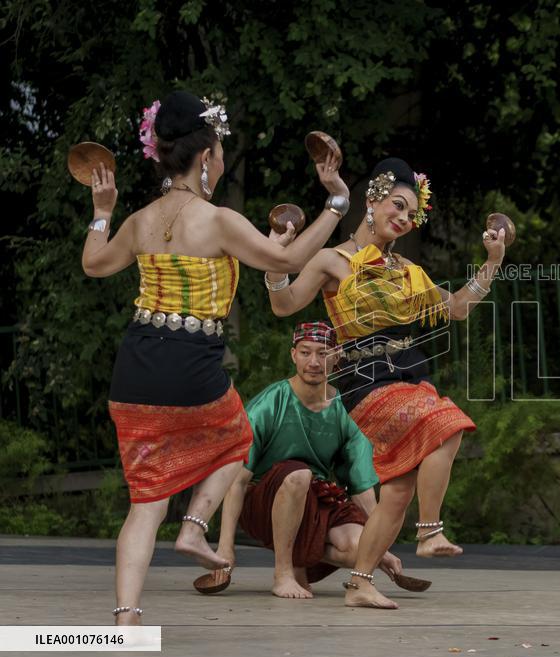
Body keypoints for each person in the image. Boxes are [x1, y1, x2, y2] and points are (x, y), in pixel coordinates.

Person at [81, 91, 351, 625]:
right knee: (239, 437)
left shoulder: (137, 221)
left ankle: (125, 620)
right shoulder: (218, 220)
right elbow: (288, 258)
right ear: (205, 157)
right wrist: (337, 203)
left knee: (145, 500)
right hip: (190, 363)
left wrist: (101, 213)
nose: (222, 160)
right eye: (221, 151)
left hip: (134, 367)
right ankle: (194, 527)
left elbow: (93, 263)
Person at [265, 158, 506, 608]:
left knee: (398, 489)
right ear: (371, 202)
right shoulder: (333, 260)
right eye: (397, 205)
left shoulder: (407, 272)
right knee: (448, 424)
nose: (404, 217)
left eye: (411, 214)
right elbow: (284, 304)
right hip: (365, 381)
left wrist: (493, 262)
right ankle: (430, 531)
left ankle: (358, 583)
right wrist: (277, 259)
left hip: (409, 377)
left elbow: (455, 308)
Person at [209, 321, 428, 599]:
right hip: (264, 500)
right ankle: (283, 573)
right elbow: (237, 481)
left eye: (323, 353)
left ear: (337, 356)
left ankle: (301, 561)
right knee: (298, 475)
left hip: (316, 501)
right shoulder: (270, 403)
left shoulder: (346, 410)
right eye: (305, 352)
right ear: (293, 355)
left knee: (360, 549)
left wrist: (380, 545)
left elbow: (361, 487)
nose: (314, 362)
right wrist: (225, 546)